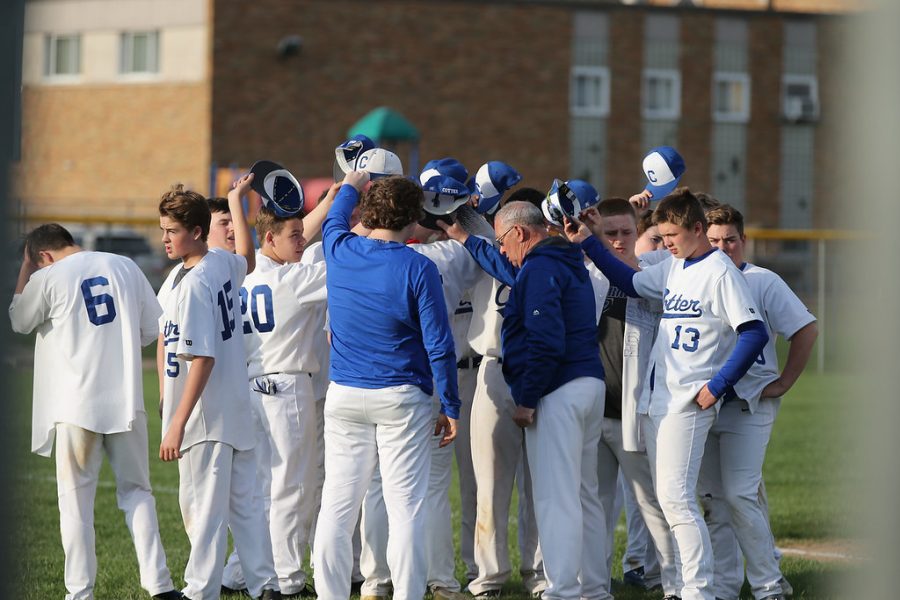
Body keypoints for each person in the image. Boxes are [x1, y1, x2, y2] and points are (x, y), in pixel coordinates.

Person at [569, 188, 769, 600]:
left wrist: (718, 386)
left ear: (698, 228)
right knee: (671, 499)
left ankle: (698, 590)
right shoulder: (676, 266)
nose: (667, 243)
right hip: (660, 398)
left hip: (688, 402)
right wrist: (590, 239)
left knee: (677, 500)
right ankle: (694, 586)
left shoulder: (719, 271)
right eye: (662, 235)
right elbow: (629, 280)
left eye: (673, 235)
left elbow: (753, 333)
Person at [442, 201, 609, 600]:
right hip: (588, 384)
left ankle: (565, 589)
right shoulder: (567, 259)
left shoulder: (540, 267)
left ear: (519, 233)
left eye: (501, 240)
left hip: (559, 389)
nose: (500, 249)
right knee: (585, 493)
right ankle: (596, 588)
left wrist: (527, 400)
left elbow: (545, 341)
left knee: (556, 496)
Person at [9, 224, 181, 600]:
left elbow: (18, 320)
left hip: (75, 405)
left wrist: (26, 270)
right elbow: (154, 328)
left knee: (75, 502)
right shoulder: (125, 265)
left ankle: (80, 593)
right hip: (126, 399)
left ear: (43, 257)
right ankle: (161, 585)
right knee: (138, 493)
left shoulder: (50, 275)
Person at [313, 172, 459, 600]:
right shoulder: (418, 265)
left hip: (344, 394)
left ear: (370, 211)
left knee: (337, 508)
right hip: (401, 397)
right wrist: (450, 404)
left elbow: (334, 218)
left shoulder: (339, 248)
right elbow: (439, 345)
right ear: (414, 218)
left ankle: (330, 595)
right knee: (406, 507)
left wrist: (352, 183)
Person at [156, 178, 281, 600]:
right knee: (243, 506)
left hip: (204, 414)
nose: (165, 238)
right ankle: (265, 583)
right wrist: (235, 200)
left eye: (172, 230)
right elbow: (246, 256)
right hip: (234, 404)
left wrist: (177, 421)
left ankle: (199, 591)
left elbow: (202, 358)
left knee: (203, 509)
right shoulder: (217, 265)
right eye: (163, 229)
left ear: (195, 231)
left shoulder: (193, 284)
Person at [699, 204, 818, 600]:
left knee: (739, 494)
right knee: (714, 500)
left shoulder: (762, 280)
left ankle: (769, 585)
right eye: (713, 240)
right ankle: (725, 586)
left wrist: (784, 381)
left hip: (749, 401)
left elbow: (806, 329)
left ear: (743, 241)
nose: (722, 247)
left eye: (730, 239)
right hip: (705, 404)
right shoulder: (695, 277)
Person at [587, 198, 681, 599]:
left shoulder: (653, 272)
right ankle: (594, 584)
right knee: (595, 505)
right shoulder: (585, 273)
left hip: (637, 410)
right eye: (610, 233)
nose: (620, 240)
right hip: (594, 410)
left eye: (627, 232)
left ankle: (674, 581)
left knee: (653, 502)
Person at [239, 204, 329, 598]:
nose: (302, 240)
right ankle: (288, 578)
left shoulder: (245, 278)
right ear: (270, 239)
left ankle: (253, 574)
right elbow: (346, 261)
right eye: (294, 235)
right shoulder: (293, 278)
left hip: (252, 385)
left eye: (302, 234)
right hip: (286, 386)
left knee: (265, 486)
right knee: (293, 486)